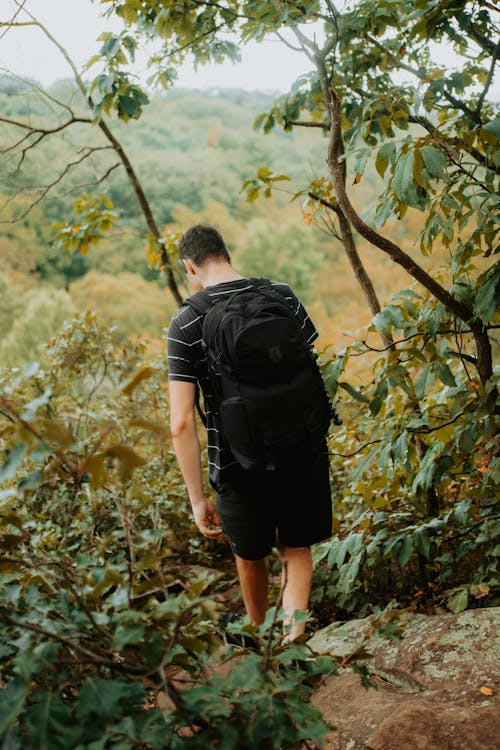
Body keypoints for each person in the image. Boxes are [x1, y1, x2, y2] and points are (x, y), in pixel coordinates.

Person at [167, 224, 332, 642]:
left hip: (236, 461)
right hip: (301, 445)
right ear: (225, 253)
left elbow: (181, 422)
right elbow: (307, 364)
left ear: (190, 267)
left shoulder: (186, 323)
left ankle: (259, 642)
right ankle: (294, 641)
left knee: (249, 553)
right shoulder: (282, 294)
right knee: (297, 547)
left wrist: (197, 498)